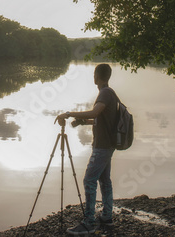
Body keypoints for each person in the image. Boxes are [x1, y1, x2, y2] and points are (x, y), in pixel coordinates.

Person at [55, 63, 118, 235]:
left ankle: (89, 222)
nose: (93, 77)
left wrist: (69, 114)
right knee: (105, 181)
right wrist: (83, 122)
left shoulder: (105, 93)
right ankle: (106, 216)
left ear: (97, 75)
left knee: (89, 180)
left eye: (94, 74)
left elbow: (95, 113)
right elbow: (101, 118)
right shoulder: (108, 93)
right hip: (107, 145)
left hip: (102, 147)